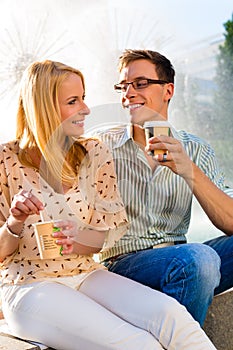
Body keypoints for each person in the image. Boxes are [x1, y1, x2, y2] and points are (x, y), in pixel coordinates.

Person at [0, 60, 217, 350]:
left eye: (84, 98)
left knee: (173, 317)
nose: (86, 109)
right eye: (73, 101)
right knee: (138, 344)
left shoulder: (93, 151)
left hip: (86, 274)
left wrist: (78, 238)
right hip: (28, 285)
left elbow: (102, 239)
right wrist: (14, 222)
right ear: (45, 108)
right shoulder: (5, 160)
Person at [94, 49, 233, 327]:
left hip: (181, 261)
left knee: (194, 261)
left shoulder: (195, 149)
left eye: (140, 83)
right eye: (123, 86)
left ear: (168, 90)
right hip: (123, 267)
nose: (128, 93)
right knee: (198, 260)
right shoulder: (100, 145)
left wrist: (189, 170)